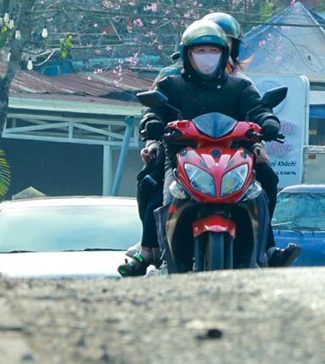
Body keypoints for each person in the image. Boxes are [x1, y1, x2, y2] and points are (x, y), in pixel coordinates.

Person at [120, 17, 297, 275]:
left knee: (263, 185)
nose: (207, 56)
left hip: (234, 158)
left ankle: (265, 250)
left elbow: (257, 109)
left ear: (225, 53)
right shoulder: (170, 83)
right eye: (200, 51)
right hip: (181, 157)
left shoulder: (240, 85)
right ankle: (151, 250)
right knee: (160, 190)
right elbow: (152, 111)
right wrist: (152, 124)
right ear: (186, 53)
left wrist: (268, 122)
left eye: (214, 51)